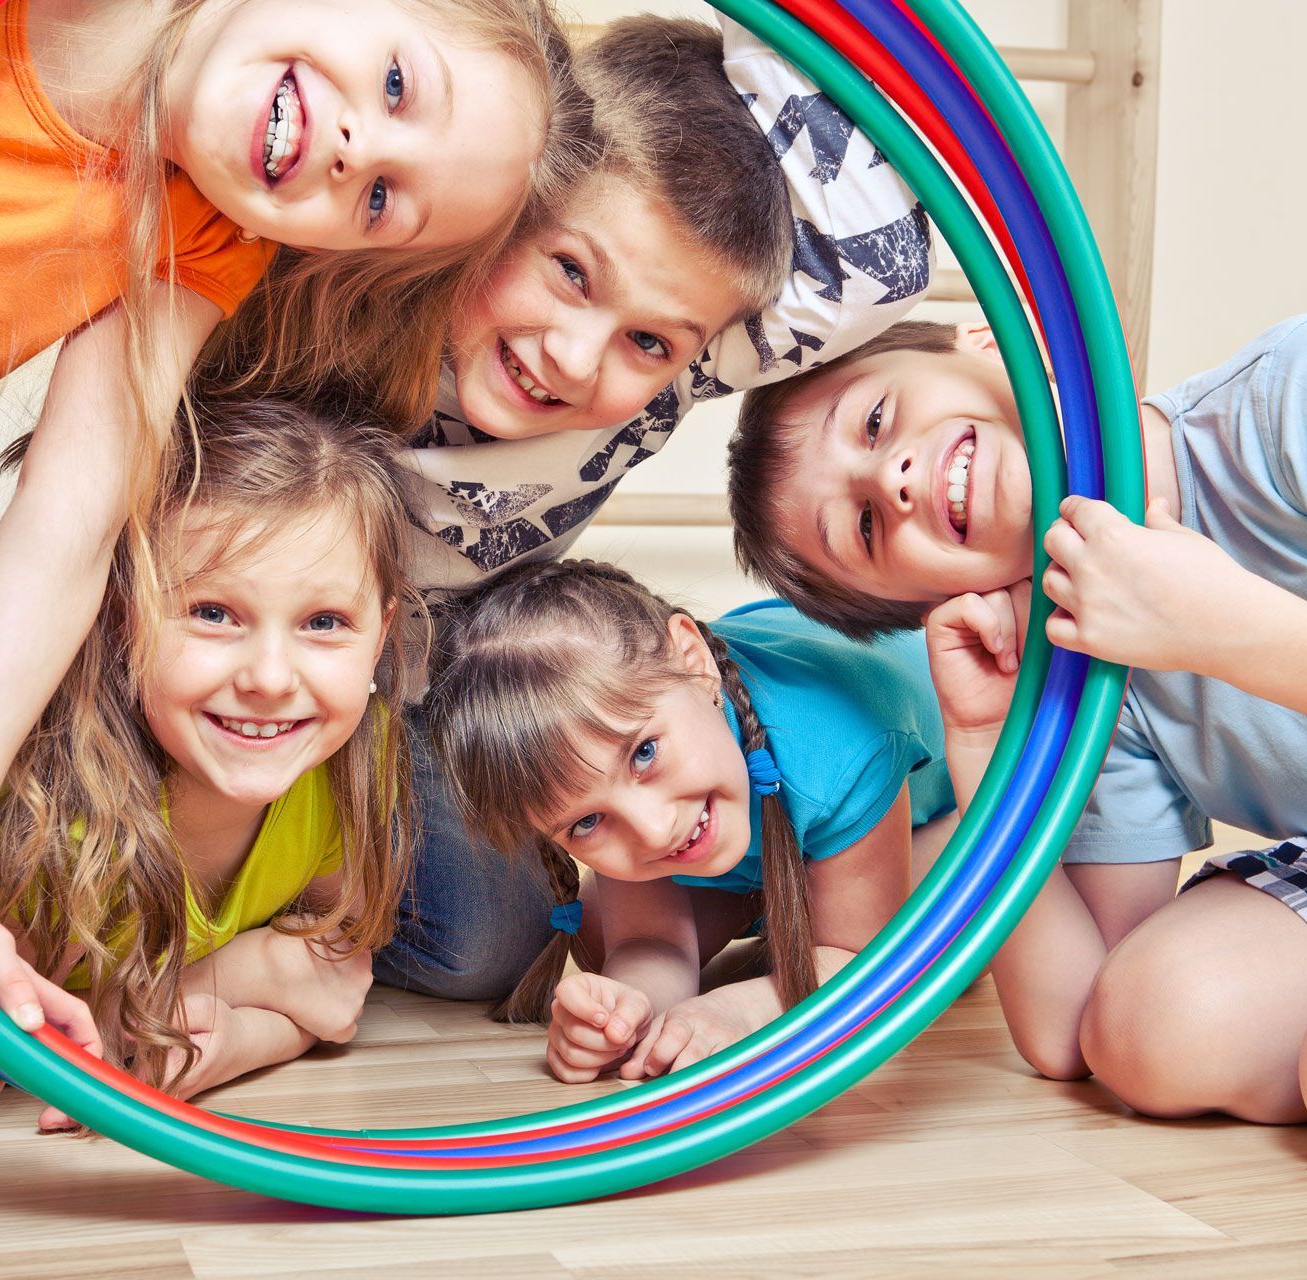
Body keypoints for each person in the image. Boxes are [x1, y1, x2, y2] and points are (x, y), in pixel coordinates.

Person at [0, 0, 580, 1158]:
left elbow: (72, 524)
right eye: (396, 84)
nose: (356, 152)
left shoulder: (203, 232)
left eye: (383, 201)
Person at [724, 310, 1307, 1183]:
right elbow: (1072, 1028)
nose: (891, 480)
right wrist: (980, 748)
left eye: (873, 421)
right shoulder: (1083, 646)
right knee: (1155, 1026)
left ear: (986, 345)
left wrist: (1225, 631)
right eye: (862, 528)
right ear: (922, 599)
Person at [377, 13, 936, 1004]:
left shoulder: (688, 352)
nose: (577, 358)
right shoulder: (381, 283)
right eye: (570, 272)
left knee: (483, 950)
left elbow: (884, 248)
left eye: (648, 341)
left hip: (450, 675)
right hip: (285, 630)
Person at [0, 394, 419, 1124]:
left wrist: (234, 1041)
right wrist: (246, 971)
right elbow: (35, 1041)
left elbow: (335, 990)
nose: (269, 678)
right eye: (213, 613)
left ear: (382, 635)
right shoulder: (49, 805)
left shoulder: (354, 758)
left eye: (324, 623)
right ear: (121, 615)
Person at [425, 557, 955, 1083]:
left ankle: (890, 867)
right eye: (586, 823)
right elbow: (650, 945)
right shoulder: (638, 778)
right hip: (762, 808)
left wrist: (743, 1012)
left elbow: (866, 968)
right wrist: (624, 1011)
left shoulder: (844, 747)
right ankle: (775, 901)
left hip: (928, 803)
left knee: (935, 935)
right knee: (594, 933)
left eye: (644, 754)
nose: (653, 829)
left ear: (695, 661)